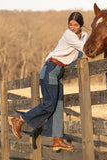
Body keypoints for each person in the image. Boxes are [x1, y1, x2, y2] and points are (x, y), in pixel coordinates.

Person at [10, 11, 88, 151]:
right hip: (51, 69)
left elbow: (82, 53)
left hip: (59, 71)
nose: (72, 27)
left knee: (58, 106)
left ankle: (57, 140)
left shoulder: (83, 36)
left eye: (75, 25)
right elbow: (84, 48)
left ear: (81, 25)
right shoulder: (68, 35)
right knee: (50, 104)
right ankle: (20, 119)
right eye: (70, 24)